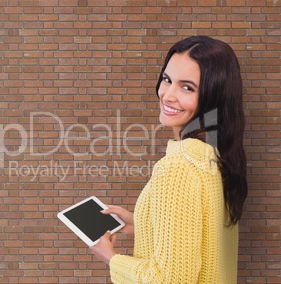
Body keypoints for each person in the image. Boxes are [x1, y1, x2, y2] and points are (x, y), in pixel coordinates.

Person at [89, 36, 248, 283]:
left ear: (214, 96)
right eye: (167, 80)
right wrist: (143, 221)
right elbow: (203, 241)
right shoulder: (215, 157)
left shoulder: (178, 167)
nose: (168, 95)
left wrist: (111, 258)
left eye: (187, 87)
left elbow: (169, 280)